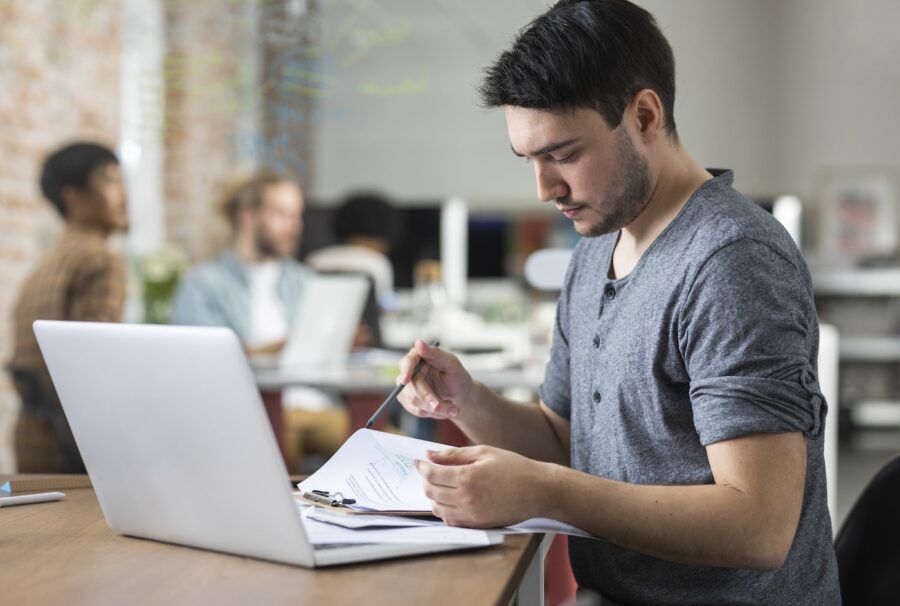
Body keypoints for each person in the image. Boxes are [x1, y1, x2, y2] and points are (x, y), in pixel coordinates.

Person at [398, 1, 840, 604]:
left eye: (563, 154)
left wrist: (548, 491)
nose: (544, 189)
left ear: (645, 116)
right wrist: (466, 400)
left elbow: (758, 527)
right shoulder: (596, 244)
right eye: (530, 159)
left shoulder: (733, 261)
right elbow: (563, 439)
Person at [170, 172, 347, 472]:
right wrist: (276, 348)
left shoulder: (304, 281)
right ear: (248, 216)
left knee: (390, 445)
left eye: (297, 215)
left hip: (319, 405)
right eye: (282, 215)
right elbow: (197, 360)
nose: (296, 227)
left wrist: (341, 341)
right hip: (250, 411)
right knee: (276, 449)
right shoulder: (203, 284)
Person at [9, 142, 129, 473]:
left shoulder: (47, 263)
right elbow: (93, 371)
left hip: (32, 439)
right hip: (73, 447)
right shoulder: (100, 260)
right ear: (74, 198)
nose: (124, 195)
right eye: (110, 181)